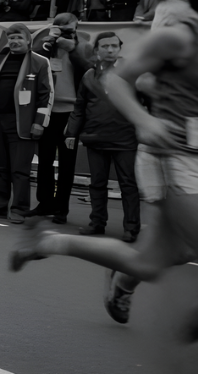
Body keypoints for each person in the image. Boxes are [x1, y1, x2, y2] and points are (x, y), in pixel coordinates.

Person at [11, 0, 198, 348]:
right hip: (177, 160)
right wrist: (146, 120)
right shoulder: (178, 31)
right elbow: (121, 81)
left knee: (150, 262)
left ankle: (50, 243)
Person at [0, 23, 52, 223]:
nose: (14, 42)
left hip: (23, 124)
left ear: (28, 40)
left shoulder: (40, 62)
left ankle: (19, 209)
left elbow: (47, 95)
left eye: (19, 38)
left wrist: (39, 123)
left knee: (20, 170)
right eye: (11, 38)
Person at [64, 31, 140, 240]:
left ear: (119, 49)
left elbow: (146, 104)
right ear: (97, 50)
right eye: (105, 46)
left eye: (114, 46)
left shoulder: (131, 73)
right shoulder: (89, 76)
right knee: (97, 184)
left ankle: (131, 227)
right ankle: (97, 223)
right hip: (95, 138)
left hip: (125, 139)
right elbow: (79, 107)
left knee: (128, 184)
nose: (110, 50)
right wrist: (72, 132)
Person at [30, 13, 92, 223]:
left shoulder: (82, 46)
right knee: (44, 161)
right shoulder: (47, 45)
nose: (64, 33)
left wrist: (71, 47)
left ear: (76, 28)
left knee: (66, 164)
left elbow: (89, 70)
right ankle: (44, 203)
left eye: (69, 30)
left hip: (71, 113)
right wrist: (49, 42)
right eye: (60, 29)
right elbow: (33, 62)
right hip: (48, 111)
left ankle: (61, 209)